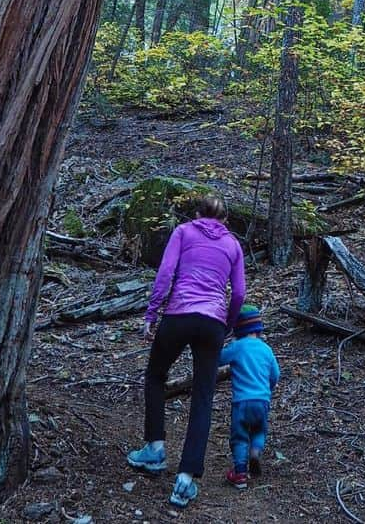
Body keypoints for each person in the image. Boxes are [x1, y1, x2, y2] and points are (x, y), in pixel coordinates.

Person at [127, 193, 245, 508]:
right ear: (225, 220)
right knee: (204, 396)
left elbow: (165, 275)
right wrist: (228, 323)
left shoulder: (183, 231)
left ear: (197, 214)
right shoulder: (233, 244)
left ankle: (154, 449)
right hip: (212, 323)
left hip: (178, 315)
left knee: (155, 375)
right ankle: (185, 480)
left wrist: (152, 313)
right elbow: (240, 293)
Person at [218, 303, 281, 490]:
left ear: (238, 329)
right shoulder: (266, 349)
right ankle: (255, 453)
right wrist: (266, 390)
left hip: (241, 402)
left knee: (239, 436)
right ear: (258, 329)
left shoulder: (237, 347)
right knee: (259, 431)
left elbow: (219, 358)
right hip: (262, 401)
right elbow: (275, 375)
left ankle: (239, 474)